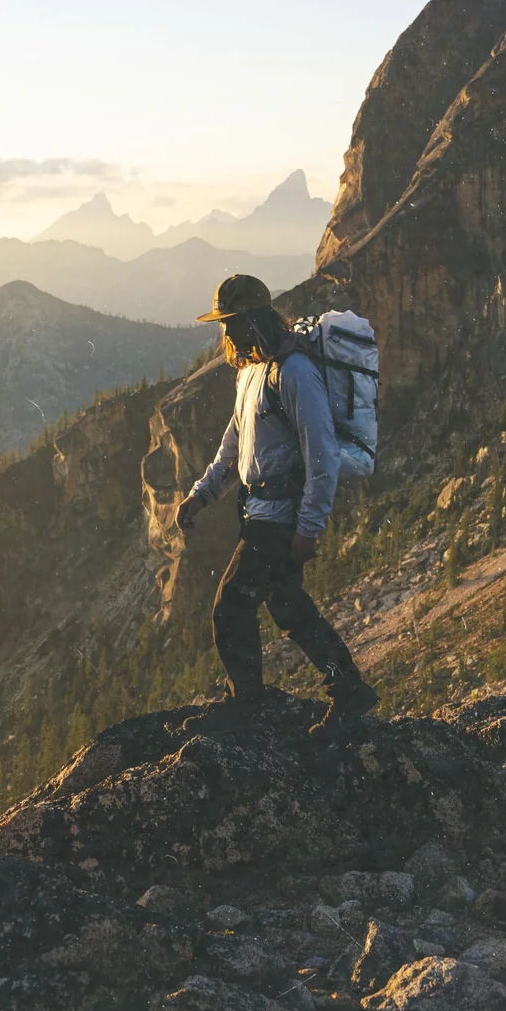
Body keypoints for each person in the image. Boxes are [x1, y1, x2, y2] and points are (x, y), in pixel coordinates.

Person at [174, 274, 380, 733]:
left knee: (230, 608)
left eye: (230, 323)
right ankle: (348, 689)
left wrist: (309, 528)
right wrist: (201, 494)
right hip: (259, 513)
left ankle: (245, 704)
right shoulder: (251, 373)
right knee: (288, 607)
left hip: (280, 519)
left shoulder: (296, 374)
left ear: (252, 319)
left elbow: (321, 453)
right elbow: (236, 445)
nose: (225, 333)